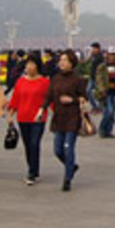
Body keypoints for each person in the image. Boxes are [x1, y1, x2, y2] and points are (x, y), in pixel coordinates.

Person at [40, 50, 88, 191]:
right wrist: (42, 109)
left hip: (72, 118)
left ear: (72, 63)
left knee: (68, 148)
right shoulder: (55, 78)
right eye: (61, 60)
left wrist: (72, 99)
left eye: (65, 60)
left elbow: (84, 98)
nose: (62, 62)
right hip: (58, 118)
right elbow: (49, 96)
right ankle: (71, 166)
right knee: (57, 150)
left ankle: (67, 179)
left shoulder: (77, 80)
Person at [6, 54, 49, 185]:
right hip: (23, 117)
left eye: (32, 64)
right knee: (27, 145)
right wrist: (10, 115)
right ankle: (33, 169)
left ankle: (32, 172)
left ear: (37, 66)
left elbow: (49, 99)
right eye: (27, 64)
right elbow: (15, 99)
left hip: (38, 118)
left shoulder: (45, 82)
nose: (29, 67)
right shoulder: (20, 82)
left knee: (34, 143)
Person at [88, 45, 114, 139]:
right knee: (109, 111)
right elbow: (99, 79)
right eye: (110, 55)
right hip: (105, 92)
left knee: (111, 112)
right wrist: (102, 90)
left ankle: (108, 131)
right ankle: (102, 128)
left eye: (113, 55)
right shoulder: (102, 66)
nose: (112, 57)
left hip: (114, 92)